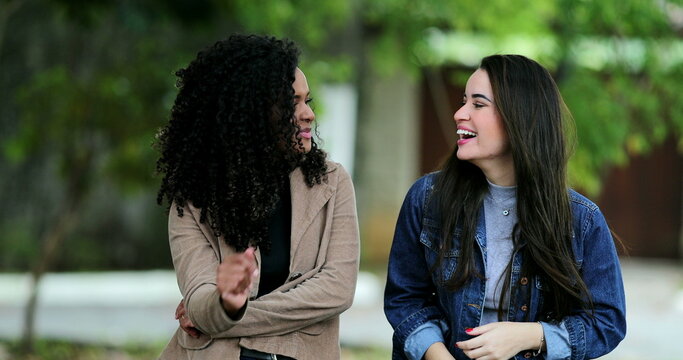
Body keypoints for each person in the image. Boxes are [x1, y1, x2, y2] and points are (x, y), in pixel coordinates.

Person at [384, 54, 626, 360]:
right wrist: (437, 355)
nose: (460, 113)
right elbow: (405, 298)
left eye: (478, 104)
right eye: (464, 101)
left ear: (519, 117)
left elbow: (607, 322)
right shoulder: (428, 197)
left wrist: (530, 335)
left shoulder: (581, 219)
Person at [155, 34, 360, 360]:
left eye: (307, 100)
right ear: (249, 111)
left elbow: (336, 290)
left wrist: (231, 315)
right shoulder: (194, 199)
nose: (308, 114)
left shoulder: (331, 183)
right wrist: (222, 303)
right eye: (291, 102)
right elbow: (200, 298)